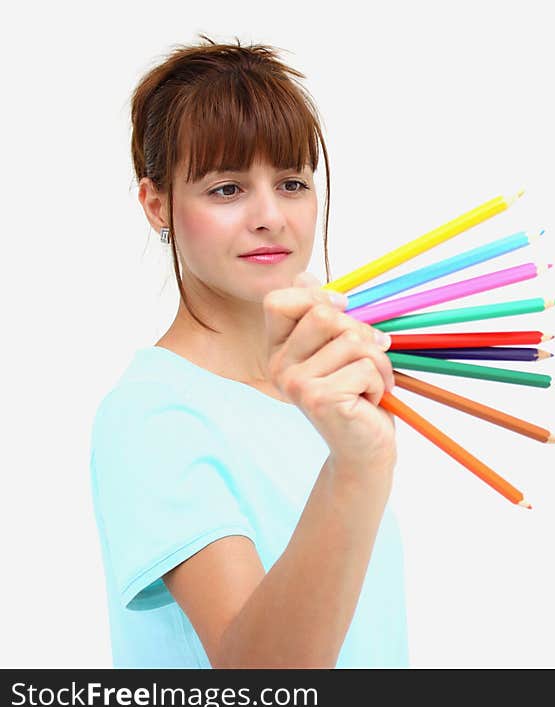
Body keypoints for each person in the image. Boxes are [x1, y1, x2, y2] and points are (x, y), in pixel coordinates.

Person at [89, 34, 408, 668]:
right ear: (157, 204)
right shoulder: (152, 416)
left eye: (292, 183)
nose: (270, 216)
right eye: (226, 189)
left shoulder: (318, 397)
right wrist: (359, 467)